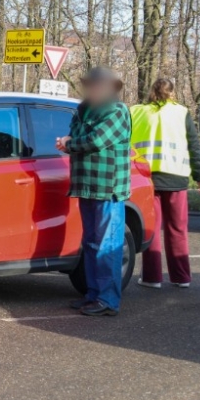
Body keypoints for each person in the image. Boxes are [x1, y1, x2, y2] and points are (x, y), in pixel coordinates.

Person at [56, 67, 132, 317]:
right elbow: (77, 136)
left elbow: (97, 140)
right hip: (86, 185)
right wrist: (68, 143)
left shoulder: (117, 110)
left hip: (107, 188)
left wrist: (70, 144)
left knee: (107, 245)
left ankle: (108, 299)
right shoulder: (83, 109)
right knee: (90, 243)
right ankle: (92, 294)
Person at [131, 78, 200, 289]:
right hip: (177, 178)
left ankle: (151, 277)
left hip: (146, 179)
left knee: (152, 229)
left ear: (150, 92)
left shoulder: (136, 111)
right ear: (172, 93)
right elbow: (194, 146)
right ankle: (181, 277)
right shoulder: (181, 113)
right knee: (177, 230)